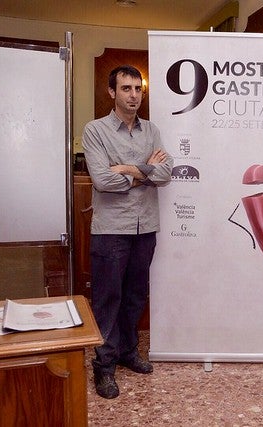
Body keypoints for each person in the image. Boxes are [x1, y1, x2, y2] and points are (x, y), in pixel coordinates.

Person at [83, 64, 173, 399]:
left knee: (135, 295)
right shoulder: (95, 130)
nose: (134, 95)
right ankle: (104, 365)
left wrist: (126, 168)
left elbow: (166, 172)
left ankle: (127, 351)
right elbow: (102, 180)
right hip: (111, 228)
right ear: (112, 92)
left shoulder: (151, 130)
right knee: (108, 298)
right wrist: (145, 172)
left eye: (138, 89)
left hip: (145, 226)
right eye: (126, 88)